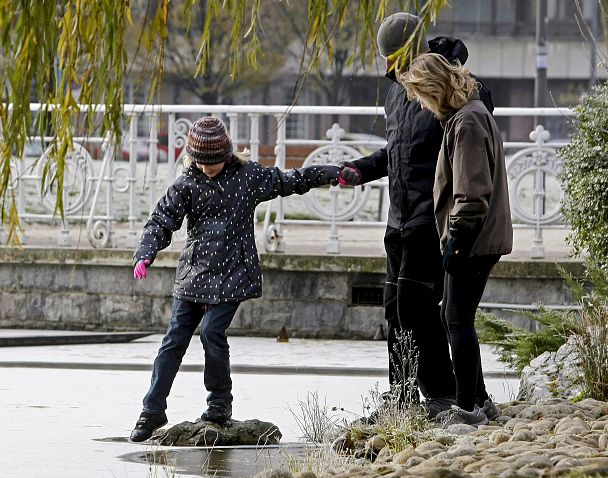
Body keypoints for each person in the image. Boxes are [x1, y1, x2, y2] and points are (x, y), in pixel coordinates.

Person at [129, 117, 342, 442]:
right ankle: (152, 409)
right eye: (203, 162)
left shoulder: (248, 177)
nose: (209, 167)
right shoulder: (187, 183)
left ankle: (219, 405)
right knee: (173, 341)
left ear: (227, 155)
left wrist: (329, 173)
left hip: (233, 274)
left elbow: (290, 180)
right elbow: (161, 220)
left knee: (213, 333)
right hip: (194, 274)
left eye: (214, 162)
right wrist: (146, 252)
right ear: (193, 158)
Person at [337, 13, 495, 420]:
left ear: (416, 50)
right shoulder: (394, 94)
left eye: (398, 57)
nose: (392, 67)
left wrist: (461, 224)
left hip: (433, 218)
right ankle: (407, 396)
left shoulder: (456, 88)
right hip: (399, 219)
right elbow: (396, 154)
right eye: (388, 59)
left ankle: (443, 394)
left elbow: (469, 147)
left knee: (417, 307)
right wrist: (359, 169)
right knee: (395, 308)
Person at [400, 53, 513, 426]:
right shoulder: (471, 115)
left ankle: (467, 407)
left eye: (421, 96)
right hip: (479, 236)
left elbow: (472, 192)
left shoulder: (466, 123)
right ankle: (480, 399)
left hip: (474, 239)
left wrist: (456, 241)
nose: (420, 104)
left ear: (435, 91)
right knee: (452, 316)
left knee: (457, 318)